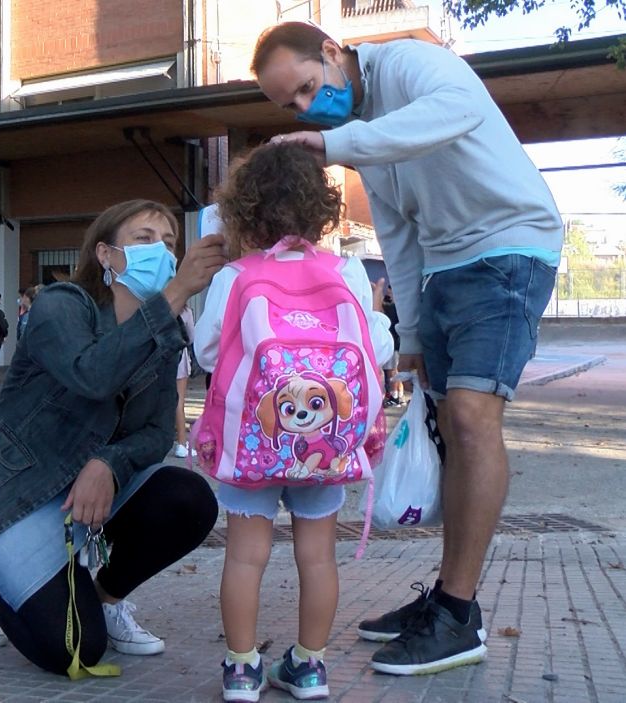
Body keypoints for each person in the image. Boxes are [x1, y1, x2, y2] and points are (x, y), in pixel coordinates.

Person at [252, 22, 561, 675]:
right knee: (450, 423)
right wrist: (413, 335)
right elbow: (399, 233)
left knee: (475, 419)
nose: (307, 109)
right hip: (445, 267)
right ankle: (450, 601)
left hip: (508, 246)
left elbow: (457, 113)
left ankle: (456, 614)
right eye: (292, 106)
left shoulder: (412, 65)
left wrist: (335, 142)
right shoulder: (367, 135)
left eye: (309, 88)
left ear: (334, 52)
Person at [0, 199, 224, 677]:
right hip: (7, 499)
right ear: (106, 255)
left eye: (170, 243)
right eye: (144, 239)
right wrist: (176, 292)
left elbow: (158, 432)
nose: (162, 251)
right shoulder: (61, 305)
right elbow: (91, 374)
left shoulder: (165, 334)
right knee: (76, 649)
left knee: (188, 498)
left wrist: (109, 463)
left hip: (85, 496)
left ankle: (103, 597)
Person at [193, 144, 394, 701]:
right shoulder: (347, 270)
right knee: (317, 554)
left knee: (244, 555)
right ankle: (309, 667)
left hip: (250, 444)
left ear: (242, 212)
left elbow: (208, 354)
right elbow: (374, 346)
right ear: (321, 210)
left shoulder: (235, 275)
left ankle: (240, 669)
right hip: (326, 447)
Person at [172, 305, 195, 459]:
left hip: (158, 357)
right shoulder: (185, 312)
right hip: (179, 357)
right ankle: (181, 443)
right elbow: (191, 337)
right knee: (179, 401)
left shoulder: (157, 305)